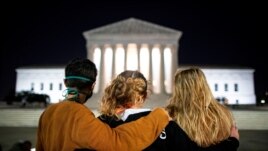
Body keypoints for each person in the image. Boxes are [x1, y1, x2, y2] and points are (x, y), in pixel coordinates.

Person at [35, 58, 170, 151]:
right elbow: (118, 143)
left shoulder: (47, 114)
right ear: (92, 86)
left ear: (65, 82)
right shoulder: (80, 115)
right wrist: (158, 116)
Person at [98, 70, 239, 150]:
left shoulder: (98, 124)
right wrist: (232, 141)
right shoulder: (165, 124)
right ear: (144, 95)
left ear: (114, 91)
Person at [167, 67, 239, 150]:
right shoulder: (223, 113)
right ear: (204, 84)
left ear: (177, 88)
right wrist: (234, 141)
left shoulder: (169, 115)